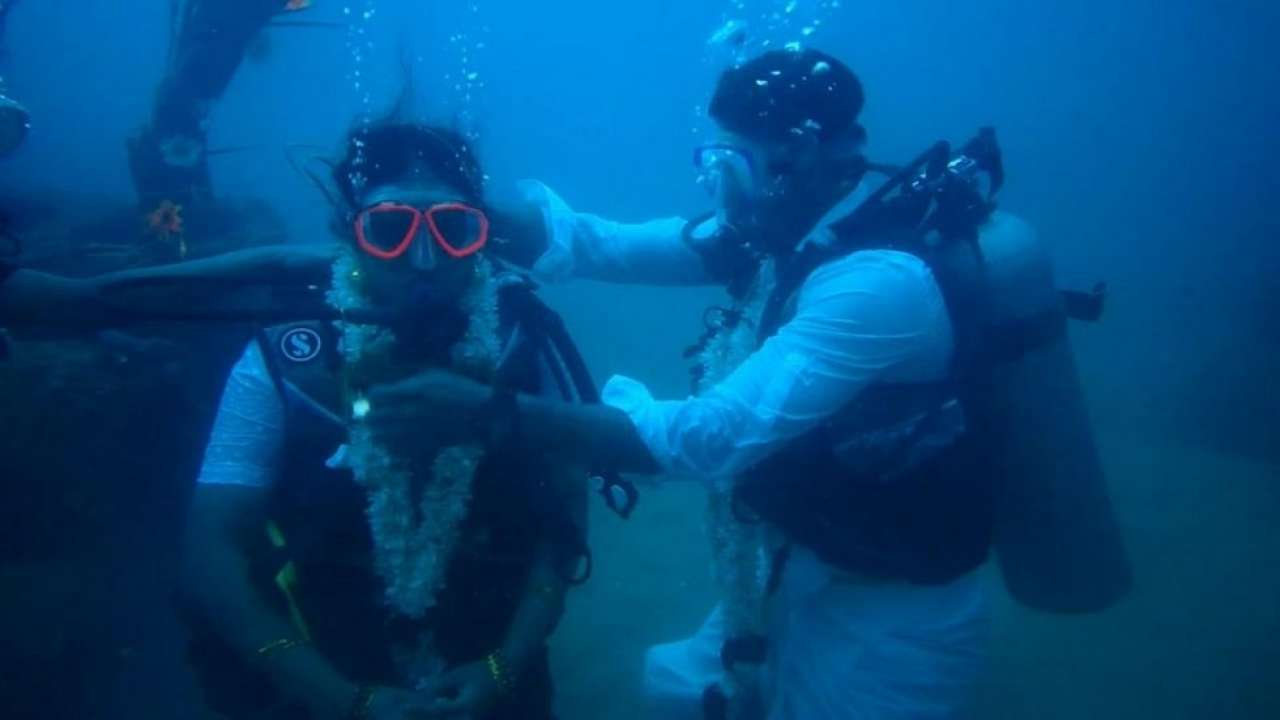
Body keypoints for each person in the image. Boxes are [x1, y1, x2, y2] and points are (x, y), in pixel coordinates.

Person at [368, 48, 1130, 720]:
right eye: (712, 168)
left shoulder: (877, 283)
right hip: (793, 562)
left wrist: (490, 412)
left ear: (799, 158)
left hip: (891, 615)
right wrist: (456, 211)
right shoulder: (779, 232)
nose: (719, 196)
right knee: (684, 686)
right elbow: (604, 244)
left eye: (729, 170)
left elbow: (711, 437)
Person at [177, 121, 590, 720]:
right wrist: (340, 700)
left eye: (453, 230)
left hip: (495, 683)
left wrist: (505, 665)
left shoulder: (523, 341)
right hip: (320, 683)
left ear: (482, 236)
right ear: (351, 234)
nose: (423, 260)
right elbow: (212, 546)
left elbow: (567, 514)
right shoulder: (285, 358)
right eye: (390, 231)